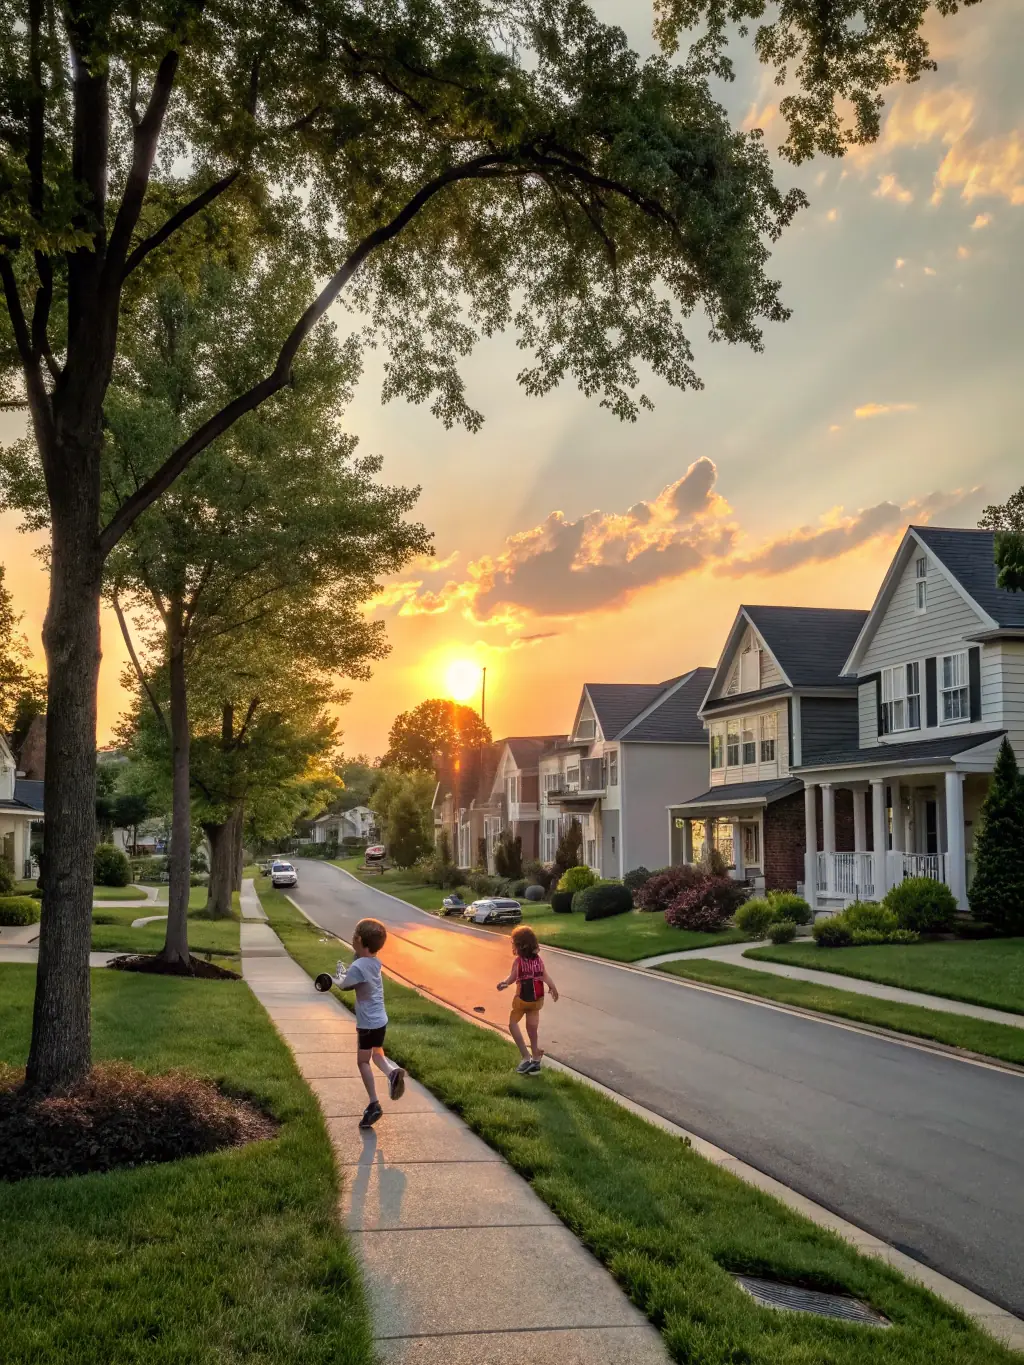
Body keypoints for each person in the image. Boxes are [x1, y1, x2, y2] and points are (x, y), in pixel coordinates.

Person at [315, 917, 405, 1128]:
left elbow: (344, 985)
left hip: (367, 1024)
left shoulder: (358, 966)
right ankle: (392, 1072)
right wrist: (348, 969)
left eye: (354, 937)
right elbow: (357, 975)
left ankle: (374, 1103)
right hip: (380, 1020)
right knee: (377, 1053)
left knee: (363, 1061)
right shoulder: (374, 962)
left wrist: (333, 978)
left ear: (358, 939)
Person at [496, 925, 558, 1074]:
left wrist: (504, 983)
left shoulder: (519, 962)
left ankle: (525, 1056)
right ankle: (536, 1057)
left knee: (513, 1024)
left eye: (513, 943)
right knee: (532, 1029)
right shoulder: (538, 960)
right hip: (537, 1001)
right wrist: (553, 987)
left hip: (522, 1000)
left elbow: (512, 977)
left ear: (519, 945)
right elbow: (544, 976)